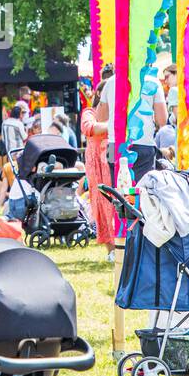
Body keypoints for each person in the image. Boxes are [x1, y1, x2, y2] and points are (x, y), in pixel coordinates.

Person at [80, 84, 116, 257]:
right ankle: (111, 250)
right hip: (96, 164)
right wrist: (114, 124)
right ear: (100, 94)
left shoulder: (115, 112)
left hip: (111, 160)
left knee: (115, 202)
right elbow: (89, 128)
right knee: (101, 203)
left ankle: (121, 245)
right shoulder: (89, 112)